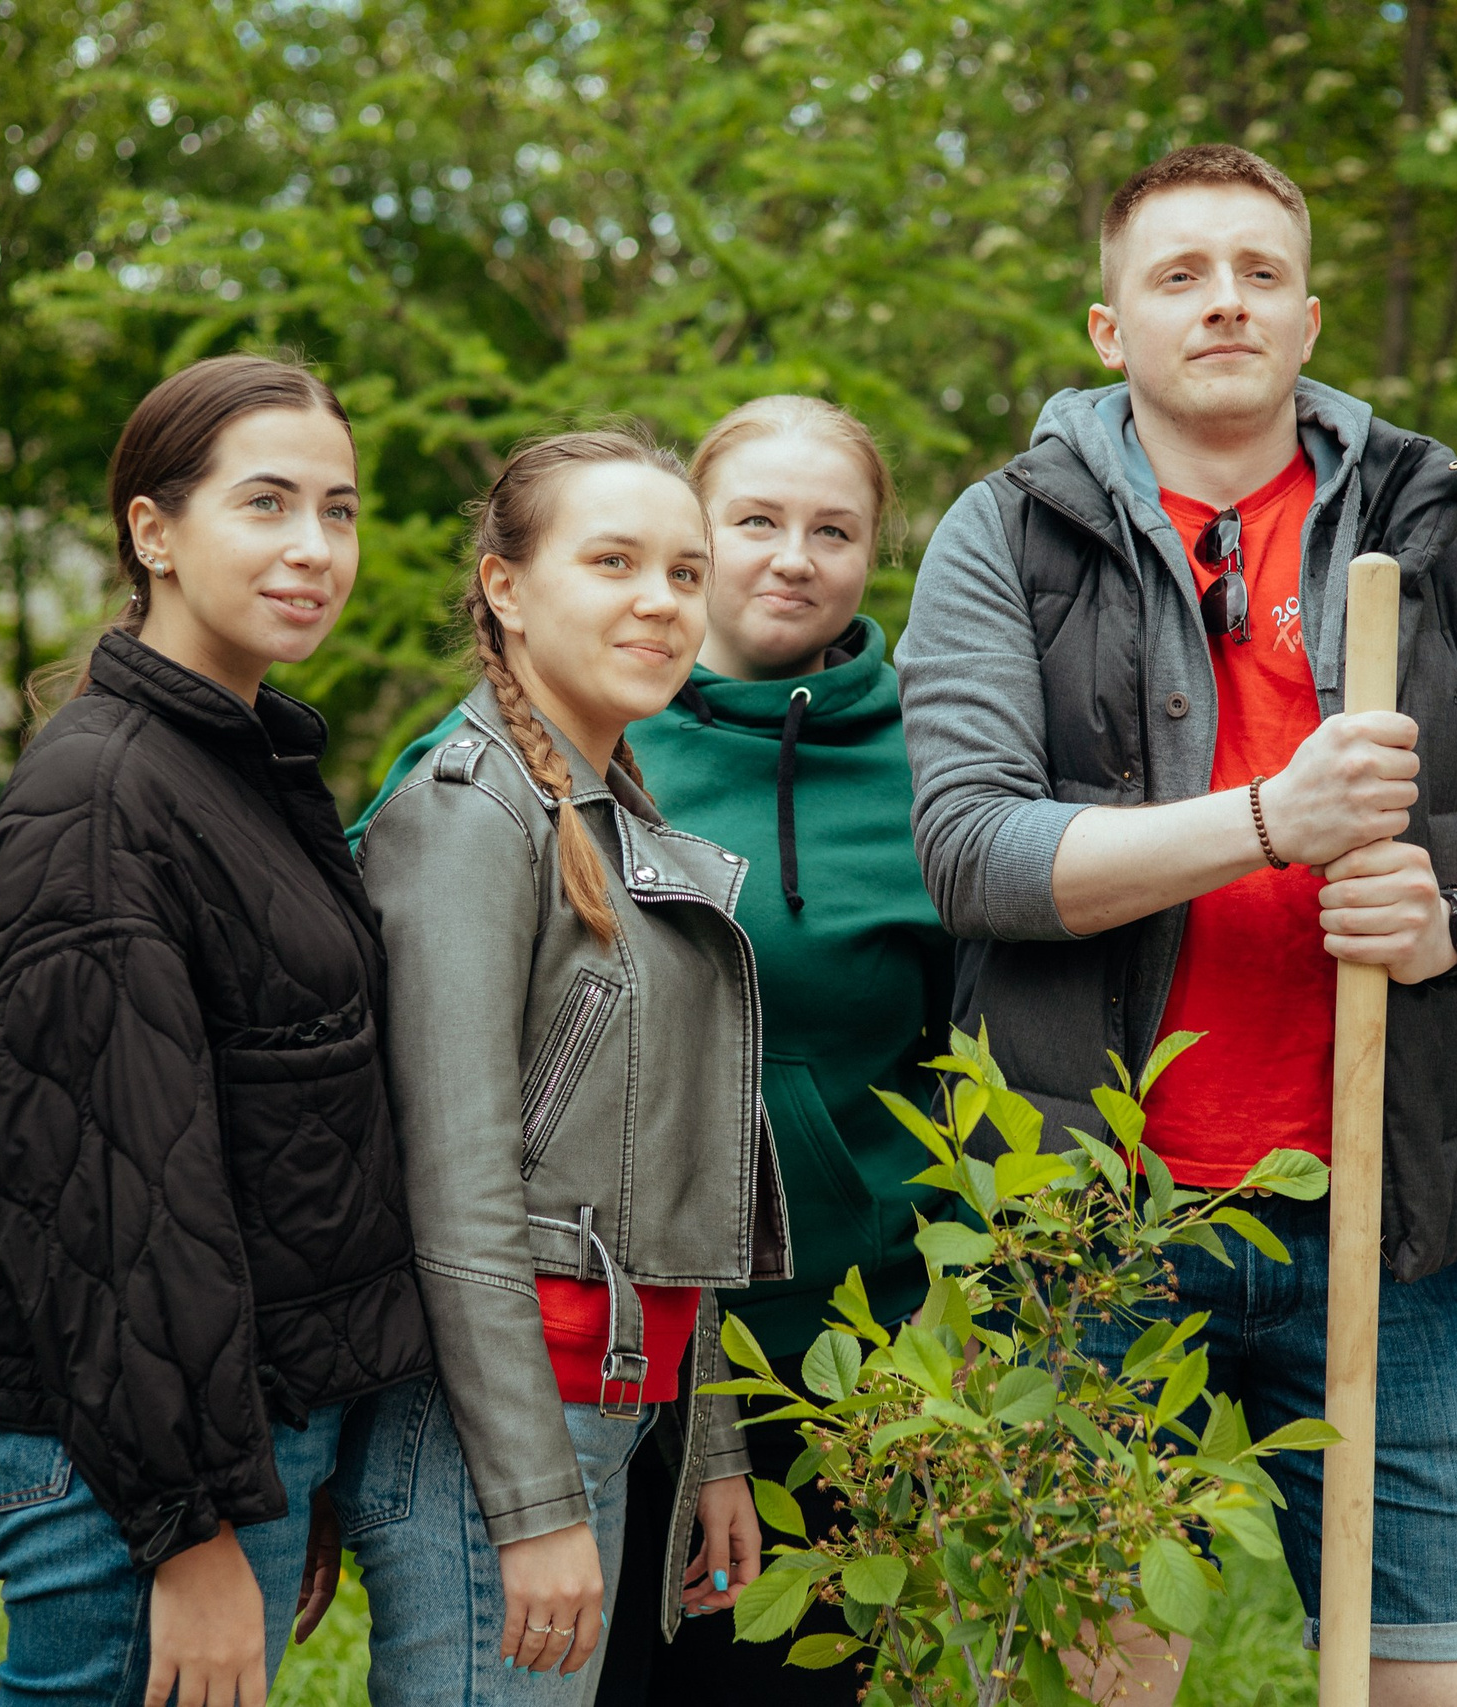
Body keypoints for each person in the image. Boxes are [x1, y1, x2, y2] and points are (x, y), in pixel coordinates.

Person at [896, 145, 1457, 1706]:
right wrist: (1266, 826)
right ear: (1109, 329)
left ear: (1308, 318)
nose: (1222, 302)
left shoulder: (1453, 523)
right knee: (1098, 1677)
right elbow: (972, 851)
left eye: (1257, 273)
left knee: (1449, 1684)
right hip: (1092, 1228)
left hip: (1388, 1214)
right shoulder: (1009, 535)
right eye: (1177, 275)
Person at [350, 398, 952, 1703]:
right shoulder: (466, 812)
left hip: (627, 1399)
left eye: (681, 571)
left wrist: (713, 1438)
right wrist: (529, 1503)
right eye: (615, 563)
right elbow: (453, 1184)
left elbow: (671, 1161)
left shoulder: (617, 804)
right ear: (505, 587)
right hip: (504, 1427)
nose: (665, 600)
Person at [0, 354, 431, 1707]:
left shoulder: (233, 765)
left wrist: (273, 1474)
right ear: (155, 531)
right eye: (267, 503)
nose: (315, 547)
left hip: (219, 1431)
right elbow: (104, 1195)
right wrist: (192, 1527)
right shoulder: (103, 800)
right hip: (127, 1469)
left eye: (341, 508)